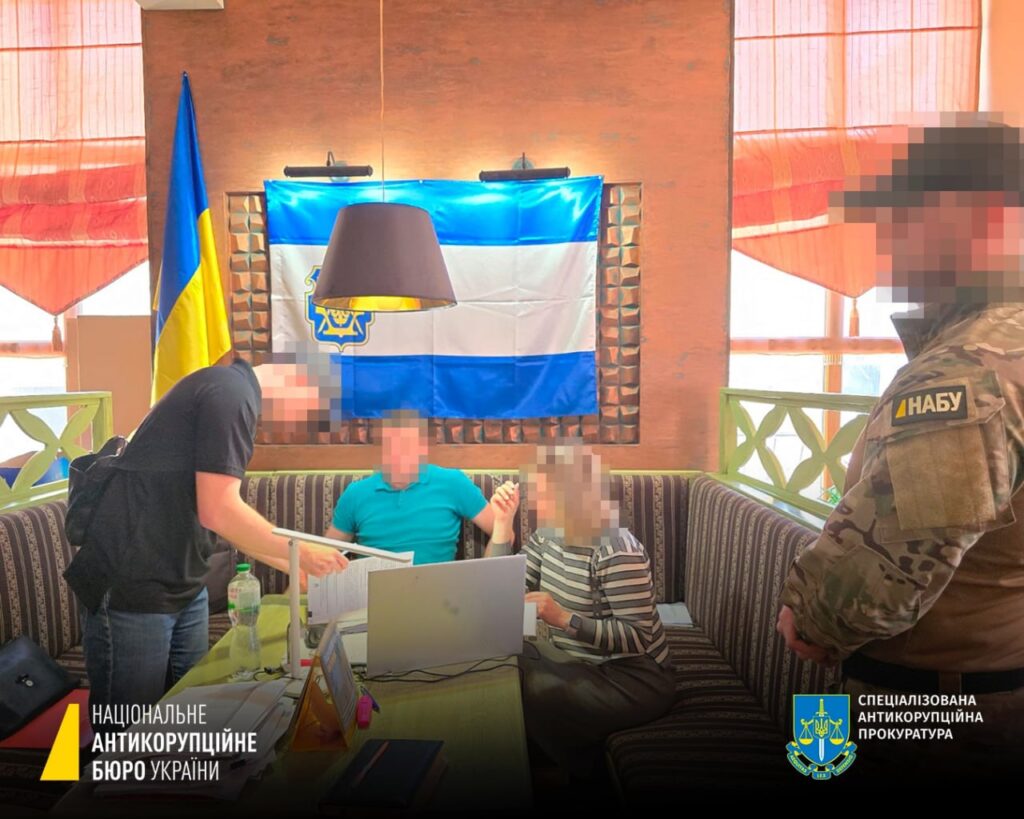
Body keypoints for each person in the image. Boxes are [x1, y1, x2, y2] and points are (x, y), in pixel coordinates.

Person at [775, 115, 1024, 784]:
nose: (890, 241)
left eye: (907, 215)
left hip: (937, 713)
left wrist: (809, 614)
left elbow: (888, 569)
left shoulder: (968, 369)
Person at [64, 356, 350, 708]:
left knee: (189, 711)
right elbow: (219, 511)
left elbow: (224, 518)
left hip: (184, 582)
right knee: (131, 727)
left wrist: (293, 563)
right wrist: (303, 551)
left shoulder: (231, 392)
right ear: (299, 381)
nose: (296, 426)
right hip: (134, 583)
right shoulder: (231, 393)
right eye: (308, 413)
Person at [489, 440, 675, 779]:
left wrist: (563, 618)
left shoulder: (617, 549)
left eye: (547, 495)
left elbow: (638, 637)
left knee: (535, 691)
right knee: (497, 664)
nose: (538, 504)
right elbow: (501, 589)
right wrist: (502, 524)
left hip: (632, 677)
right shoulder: (548, 535)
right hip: (580, 661)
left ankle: (575, 774)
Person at [323, 409, 509, 562]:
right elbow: (325, 553)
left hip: (437, 590)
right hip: (374, 590)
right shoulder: (356, 493)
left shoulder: (453, 482)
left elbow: (504, 533)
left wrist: (485, 579)